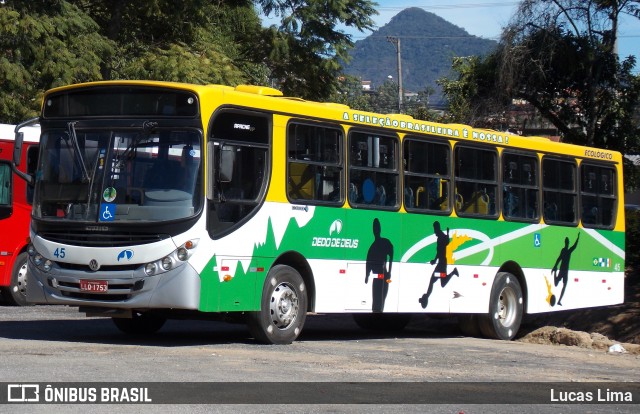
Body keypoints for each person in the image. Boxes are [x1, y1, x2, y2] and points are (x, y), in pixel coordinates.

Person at [419, 221, 459, 309]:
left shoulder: (441, 237)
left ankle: (453, 272)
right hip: (441, 262)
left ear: (436, 228)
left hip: (442, 263)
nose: (434, 231)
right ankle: (426, 297)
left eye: (434, 229)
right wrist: (434, 260)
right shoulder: (441, 236)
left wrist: (435, 260)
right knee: (436, 281)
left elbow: (443, 247)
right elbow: (440, 250)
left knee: (437, 281)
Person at [365, 218, 394, 312]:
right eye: (375, 228)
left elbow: (391, 255)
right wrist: (367, 275)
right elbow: (368, 263)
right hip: (379, 277)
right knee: (378, 300)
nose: (375, 230)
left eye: (376, 228)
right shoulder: (374, 246)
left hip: (383, 276)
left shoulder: (382, 243)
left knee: (381, 300)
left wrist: (389, 271)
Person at [551, 233, 580, 306]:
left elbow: (574, 246)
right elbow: (559, 258)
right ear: (566, 242)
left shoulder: (566, 250)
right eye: (567, 242)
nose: (568, 243)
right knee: (557, 284)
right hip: (563, 270)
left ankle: (559, 301)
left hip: (563, 270)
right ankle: (555, 273)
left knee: (563, 285)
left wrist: (578, 238)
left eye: (568, 242)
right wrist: (555, 266)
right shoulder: (565, 251)